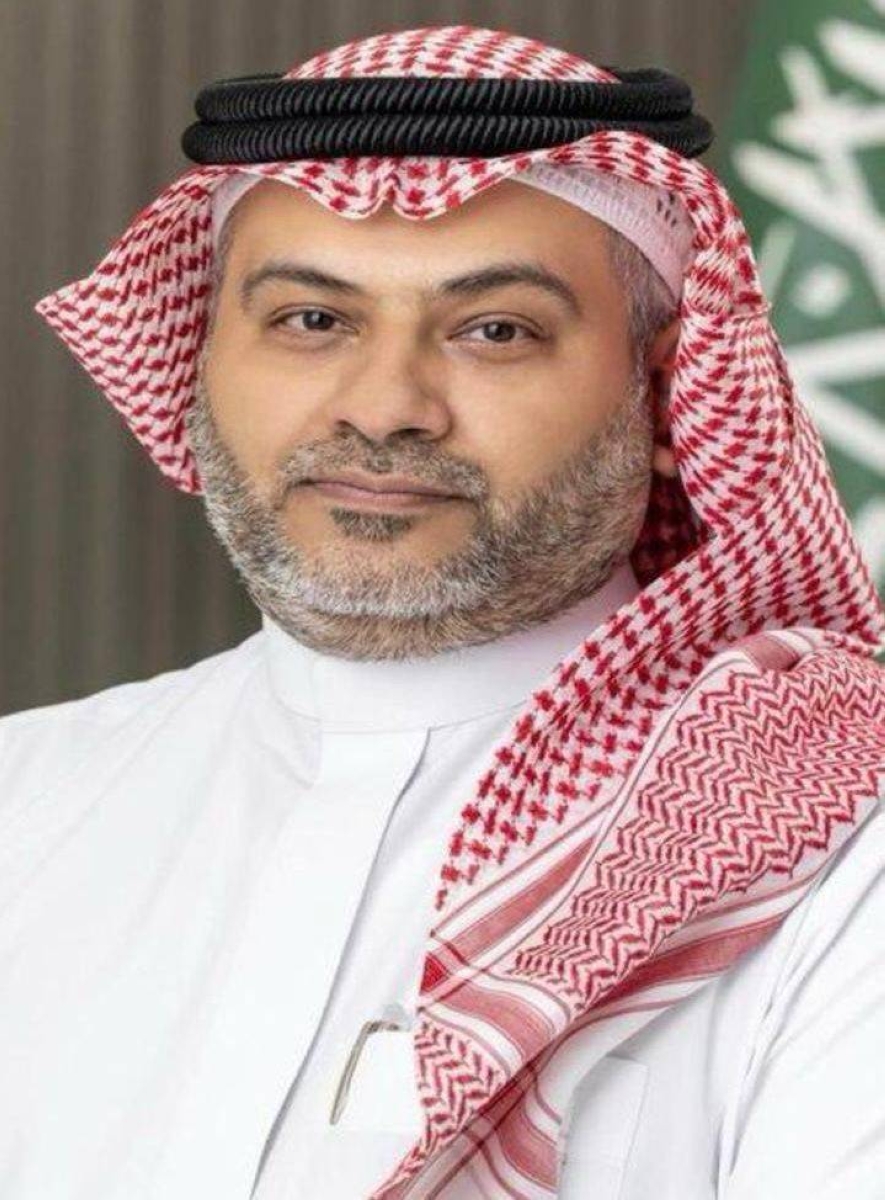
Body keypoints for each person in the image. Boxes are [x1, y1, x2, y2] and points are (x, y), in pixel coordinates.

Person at [3, 22, 884, 1200]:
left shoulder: (844, 853)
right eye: (312, 319)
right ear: (201, 355)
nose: (385, 407)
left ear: (667, 384)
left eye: (494, 331)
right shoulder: (27, 796)